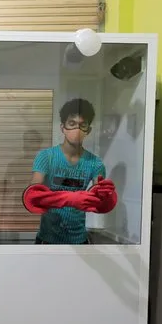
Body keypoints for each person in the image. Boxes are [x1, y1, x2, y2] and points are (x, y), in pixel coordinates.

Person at [22, 98, 117, 244]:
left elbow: (99, 201)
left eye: (82, 125)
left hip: (79, 240)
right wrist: (71, 199)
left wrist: (108, 197)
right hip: (47, 239)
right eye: (72, 124)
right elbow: (33, 197)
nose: (76, 130)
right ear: (63, 127)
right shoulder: (47, 157)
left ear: (88, 130)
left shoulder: (95, 163)